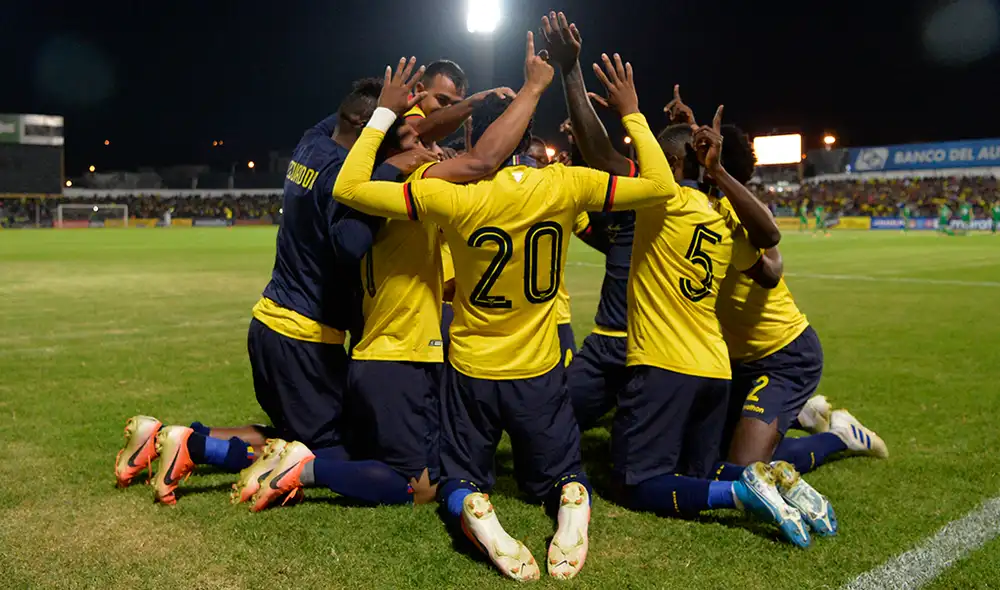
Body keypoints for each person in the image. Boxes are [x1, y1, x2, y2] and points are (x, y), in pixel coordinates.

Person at [331, 37, 683, 581]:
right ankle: (569, 501)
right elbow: (661, 186)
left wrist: (383, 115)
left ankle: (478, 513)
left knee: (458, 479)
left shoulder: (448, 193)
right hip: (540, 367)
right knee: (564, 470)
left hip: (471, 368)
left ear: (478, 132)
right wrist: (632, 113)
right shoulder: (564, 183)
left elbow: (350, 186)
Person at [251, 44, 562, 513]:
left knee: (352, 446)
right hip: (378, 349)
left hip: (349, 341)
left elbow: (395, 144)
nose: (427, 142)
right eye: (415, 137)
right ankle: (300, 468)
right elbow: (479, 162)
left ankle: (205, 446)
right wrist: (533, 89)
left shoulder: (322, 144)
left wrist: (407, 120)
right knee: (404, 484)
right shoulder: (408, 182)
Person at [539, 10, 807, 549]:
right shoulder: (718, 211)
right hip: (714, 370)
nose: (646, 160)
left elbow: (600, 154)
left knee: (633, 483)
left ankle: (742, 495)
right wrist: (719, 172)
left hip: (664, 365)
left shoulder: (660, 198)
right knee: (693, 478)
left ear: (673, 163)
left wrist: (570, 72)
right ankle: (785, 481)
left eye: (658, 155)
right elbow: (770, 248)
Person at [113, 78, 436, 505]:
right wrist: (391, 172)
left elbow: (349, 121)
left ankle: (166, 438)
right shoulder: (343, 177)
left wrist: (392, 109)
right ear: (366, 126)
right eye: (399, 131)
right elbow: (351, 244)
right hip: (303, 339)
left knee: (291, 435)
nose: (410, 141)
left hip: (271, 322)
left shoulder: (312, 142)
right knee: (325, 454)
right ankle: (196, 447)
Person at [713, 124, 888, 502]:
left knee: (746, 468)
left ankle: (838, 435)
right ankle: (800, 413)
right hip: (735, 362)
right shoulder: (687, 206)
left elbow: (773, 268)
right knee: (708, 454)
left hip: (784, 355)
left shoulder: (735, 210)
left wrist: (717, 170)